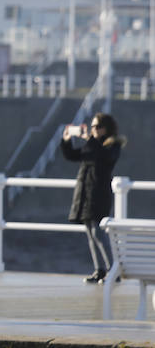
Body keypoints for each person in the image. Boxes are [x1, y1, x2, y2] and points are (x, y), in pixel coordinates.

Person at [61, 113, 126, 284]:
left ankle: (114, 271)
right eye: (92, 127)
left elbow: (104, 158)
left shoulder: (113, 146)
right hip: (85, 192)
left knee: (98, 231)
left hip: (99, 193)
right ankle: (100, 270)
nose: (93, 130)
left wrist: (90, 139)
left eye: (97, 127)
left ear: (106, 128)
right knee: (90, 232)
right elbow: (72, 156)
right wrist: (67, 140)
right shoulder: (93, 145)